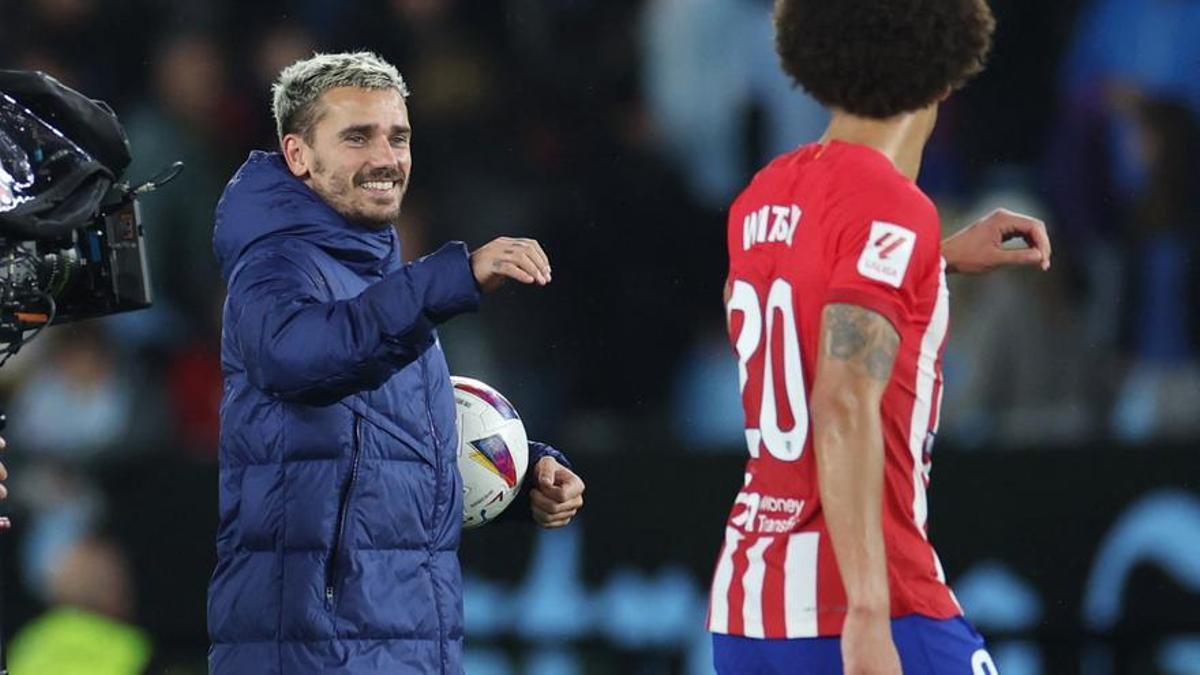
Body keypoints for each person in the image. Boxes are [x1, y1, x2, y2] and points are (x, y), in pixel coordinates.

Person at [207, 52, 585, 674]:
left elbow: (394, 443)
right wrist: (451, 279)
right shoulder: (275, 264)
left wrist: (521, 472)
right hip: (311, 652)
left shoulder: (385, 285)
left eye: (398, 137)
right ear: (298, 154)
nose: (386, 157)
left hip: (408, 647)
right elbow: (299, 360)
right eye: (357, 137)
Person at [706, 1, 1052, 673]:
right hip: (867, 606)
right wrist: (866, 613)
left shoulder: (762, 195)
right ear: (948, 73)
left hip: (748, 610)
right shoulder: (892, 206)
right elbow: (840, 398)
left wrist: (932, 257)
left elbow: (786, 316)